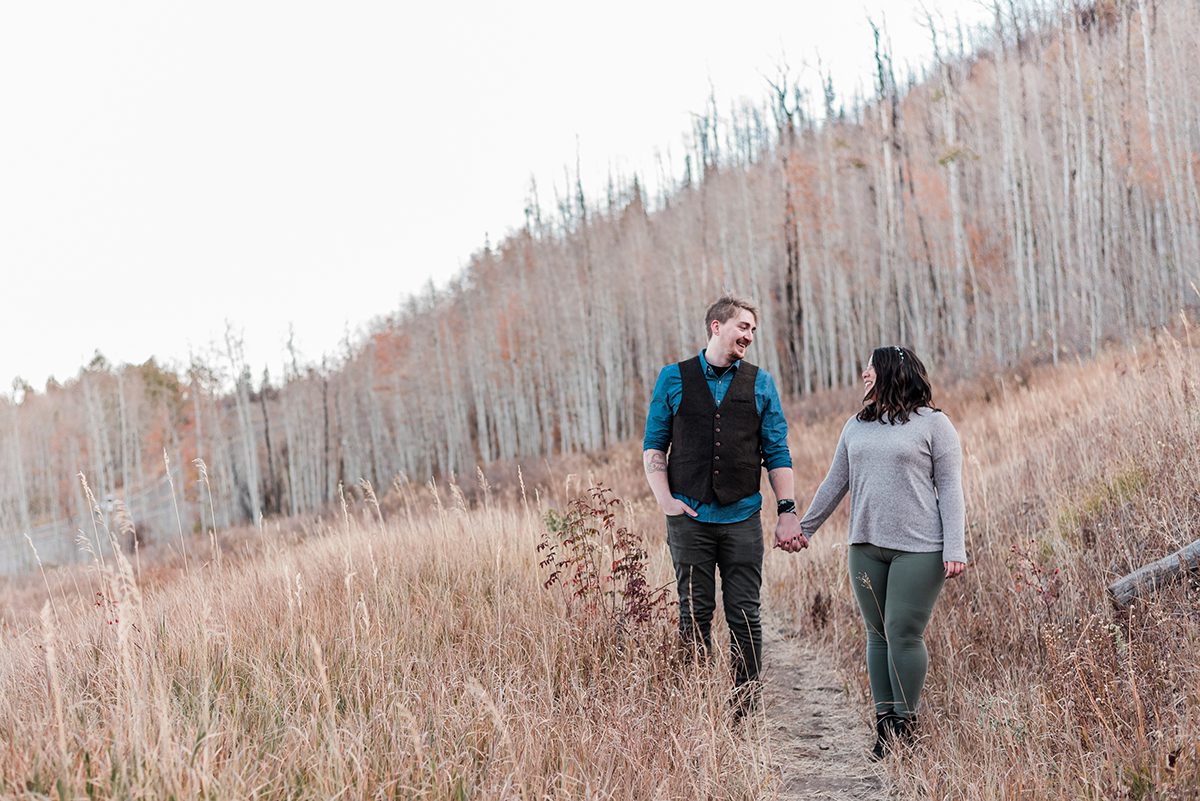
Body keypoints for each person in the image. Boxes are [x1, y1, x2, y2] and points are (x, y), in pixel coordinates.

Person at [788, 345, 966, 758]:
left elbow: (951, 489)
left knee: (903, 632)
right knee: (877, 635)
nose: (864, 374)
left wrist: (954, 546)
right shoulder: (856, 426)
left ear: (889, 371)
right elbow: (836, 482)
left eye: (870, 367)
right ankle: (885, 726)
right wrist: (806, 529)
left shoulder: (935, 425)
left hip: (919, 549)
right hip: (865, 546)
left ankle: (907, 723)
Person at [642, 296, 803, 714]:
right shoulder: (672, 378)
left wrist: (787, 510)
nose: (749, 336)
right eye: (743, 327)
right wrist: (667, 502)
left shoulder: (761, 383)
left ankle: (744, 711)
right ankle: (697, 710)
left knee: (745, 616)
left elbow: (778, 451)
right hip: (689, 519)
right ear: (716, 326)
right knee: (693, 615)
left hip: (743, 518)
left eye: (753, 330)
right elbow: (654, 447)